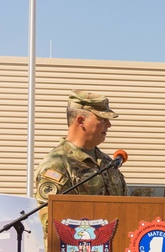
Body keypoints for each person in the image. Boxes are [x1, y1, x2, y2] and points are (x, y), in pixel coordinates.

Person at [34, 90, 127, 229]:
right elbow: (49, 222)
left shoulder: (108, 163)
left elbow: (127, 208)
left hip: (116, 246)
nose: (109, 125)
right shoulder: (57, 165)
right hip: (81, 248)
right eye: (102, 119)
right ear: (80, 120)